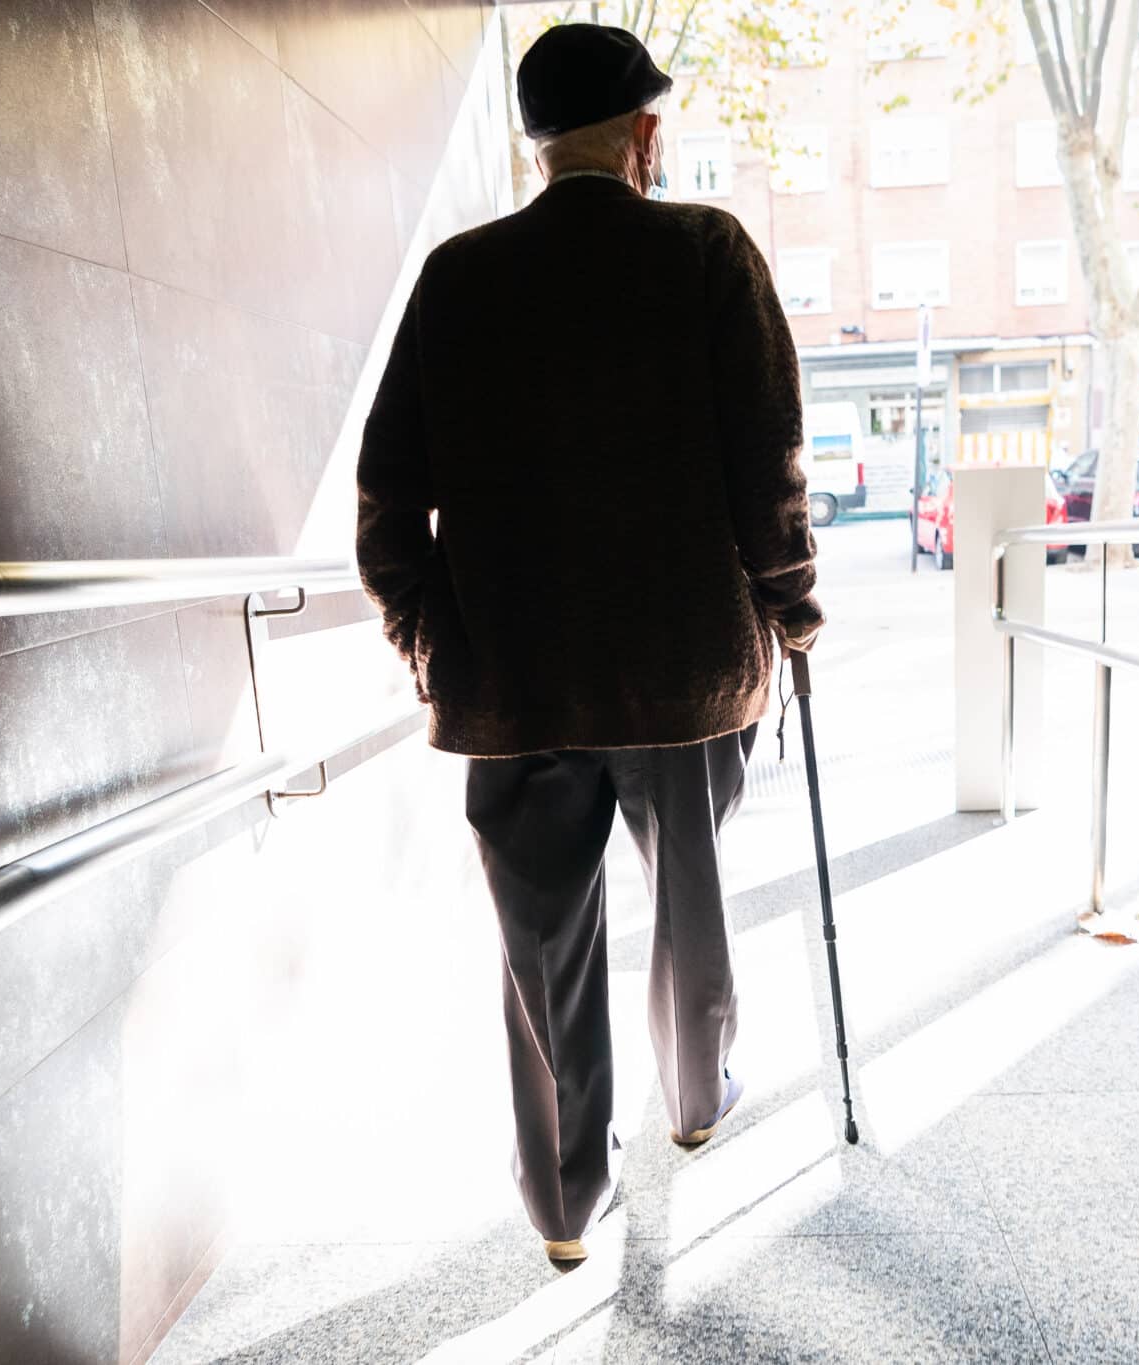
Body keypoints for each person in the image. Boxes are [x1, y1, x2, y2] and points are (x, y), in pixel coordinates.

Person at [354, 24, 823, 1266]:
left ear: (536, 143)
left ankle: (565, 1206)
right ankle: (693, 1101)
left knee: (542, 953)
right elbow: (764, 468)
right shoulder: (705, 252)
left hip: (510, 690)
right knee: (693, 909)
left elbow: (387, 500)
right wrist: (794, 606)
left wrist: (428, 642)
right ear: (644, 134)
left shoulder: (458, 277)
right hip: (685, 674)